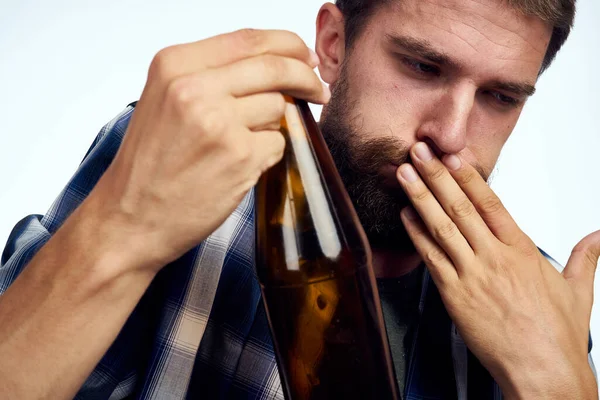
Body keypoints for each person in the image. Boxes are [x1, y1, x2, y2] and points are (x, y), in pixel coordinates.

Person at [0, 0, 598, 398]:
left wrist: (558, 384)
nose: (450, 133)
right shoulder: (173, 168)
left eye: (500, 97)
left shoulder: (537, 308)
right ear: (334, 45)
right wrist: (117, 235)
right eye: (422, 66)